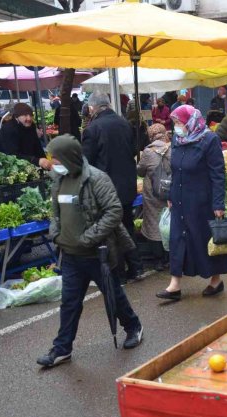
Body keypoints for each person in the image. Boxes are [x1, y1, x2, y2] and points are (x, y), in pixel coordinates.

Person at [36, 134, 143, 368]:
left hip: (98, 253)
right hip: (71, 256)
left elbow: (114, 211)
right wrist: (55, 233)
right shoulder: (59, 179)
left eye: (55, 159)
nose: (52, 164)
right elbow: (55, 212)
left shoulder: (96, 178)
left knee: (113, 295)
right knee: (69, 303)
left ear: (69, 157)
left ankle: (133, 326)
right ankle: (62, 348)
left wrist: (89, 237)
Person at [156, 105, 227, 302]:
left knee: (205, 240)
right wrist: (171, 195)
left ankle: (216, 280)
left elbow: (217, 174)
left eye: (179, 122)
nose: (177, 126)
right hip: (180, 198)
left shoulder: (209, 140)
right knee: (177, 240)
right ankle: (175, 284)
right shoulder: (178, 139)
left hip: (202, 201)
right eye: (175, 123)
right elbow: (175, 170)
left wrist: (218, 203)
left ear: (191, 121)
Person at [81, 92, 144, 282]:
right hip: (127, 184)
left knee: (111, 232)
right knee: (127, 225)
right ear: (108, 104)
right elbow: (134, 149)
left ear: (93, 108)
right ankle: (136, 267)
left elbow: (87, 162)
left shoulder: (92, 129)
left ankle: (119, 274)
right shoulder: (125, 123)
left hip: (105, 188)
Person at [137, 124, 171, 271]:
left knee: (153, 224)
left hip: (152, 194)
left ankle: (158, 261)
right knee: (169, 222)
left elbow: (140, 171)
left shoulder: (148, 152)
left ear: (151, 136)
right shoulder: (173, 149)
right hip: (170, 192)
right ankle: (169, 257)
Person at [0, 103, 52, 170]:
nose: (29, 118)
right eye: (25, 115)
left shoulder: (31, 126)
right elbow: (12, 154)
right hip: (8, 167)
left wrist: (45, 162)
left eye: (31, 115)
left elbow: (37, 146)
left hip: (29, 164)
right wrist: (36, 160)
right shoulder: (8, 129)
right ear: (17, 117)